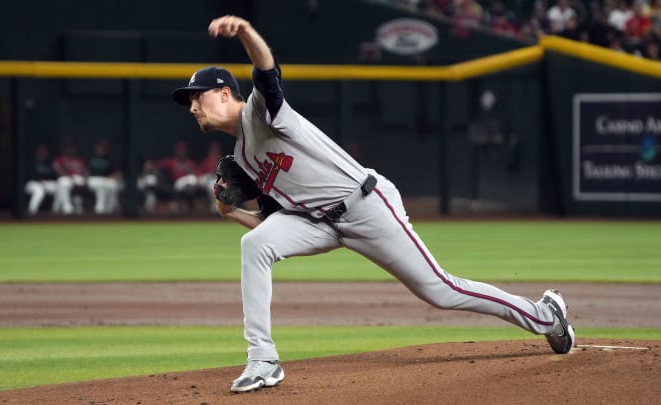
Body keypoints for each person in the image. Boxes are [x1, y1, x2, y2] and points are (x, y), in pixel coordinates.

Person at [172, 15, 575, 393]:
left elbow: (266, 69)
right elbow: (274, 226)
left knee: (440, 291)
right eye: (188, 100)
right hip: (318, 222)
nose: (191, 106)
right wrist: (233, 213)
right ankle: (263, 359)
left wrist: (244, 31)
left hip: (365, 204)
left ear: (225, 93)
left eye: (197, 96)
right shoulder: (243, 159)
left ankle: (544, 314)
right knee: (254, 246)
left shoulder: (262, 113)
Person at [138, 140, 198, 213]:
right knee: (150, 181)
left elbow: (198, 175)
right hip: (176, 186)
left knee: (192, 179)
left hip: (188, 187)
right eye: (179, 150)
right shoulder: (172, 161)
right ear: (176, 151)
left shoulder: (191, 163)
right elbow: (157, 165)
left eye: (183, 150)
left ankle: (190, 207)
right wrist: (149, 165)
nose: (181, 152)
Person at [52, 139, 88, 214]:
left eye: (72, 147)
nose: (71, 149)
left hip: (77, 178)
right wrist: (69, 176)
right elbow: (58, 170)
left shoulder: (79, 160)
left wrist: (85, 178)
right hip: (66, 178)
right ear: (65, 149)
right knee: (63, 182)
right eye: (69, 147)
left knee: (79, 181)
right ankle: (67, 207)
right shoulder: (60, 159)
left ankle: (78, 205)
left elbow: (86, 171)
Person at [86, 138, 121, 214]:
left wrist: (115, 176)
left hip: (105, 179)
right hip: (93, 179)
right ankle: (100, 209)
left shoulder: (109, 159)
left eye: (103, 148)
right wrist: (85, 179)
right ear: (96, 148)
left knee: (113, 185)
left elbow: (115, 172)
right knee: (101, 186)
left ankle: (110, 208)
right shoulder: (90, 158)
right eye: (100, 147)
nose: (101, 149)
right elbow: (85, 171)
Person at [24, 143, 57, 215]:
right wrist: (39, 181)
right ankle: (32, 211)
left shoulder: (48, 163)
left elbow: (53, 176)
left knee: (58, 188)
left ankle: (56, 211)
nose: (43, 153)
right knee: (39, 190)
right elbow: (28, 176)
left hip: (45, 183)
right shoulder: (31, 162)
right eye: (41, 151)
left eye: (44, 151)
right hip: (32, 184)